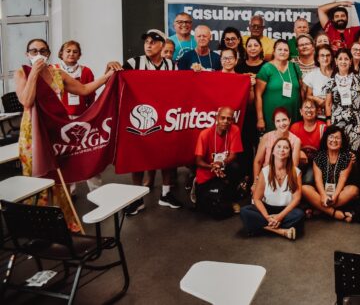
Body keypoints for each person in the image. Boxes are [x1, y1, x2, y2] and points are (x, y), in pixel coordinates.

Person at [16, 38, 120, 231]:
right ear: (27, 54)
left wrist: (108, 75)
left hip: (55, 134)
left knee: (59, 178)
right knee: (35, 180)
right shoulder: (22, 73)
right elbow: (26, 102)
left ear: (48, 53)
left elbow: (84, 89)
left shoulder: (57, 73)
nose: (38, 54)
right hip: (33, 135)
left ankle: (61, 224)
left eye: (42, 50)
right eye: (33, 51)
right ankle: (35, 226)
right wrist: (34, 74)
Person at [121, 29, 182, 212]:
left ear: (162, 45)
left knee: (166, 155)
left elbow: (179, 89)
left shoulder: (172, 65)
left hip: (164, 116)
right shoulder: (133, 63)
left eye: (153, 42)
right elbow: (119, 83)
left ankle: (165, 193)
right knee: (139, 156)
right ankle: (137, 197)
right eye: (146, 41)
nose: (148, 44)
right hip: (140, 115)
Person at [240, 137, 305, 239]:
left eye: (286, 148)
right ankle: (281, 231)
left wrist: (280, 216)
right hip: (267, 209)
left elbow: (297, 199)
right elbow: (256, 198)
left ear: (289, 153)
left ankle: (261, 227)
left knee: (299, 214)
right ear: (273, 151)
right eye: (278, 147)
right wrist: (266, 216)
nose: (282, 150)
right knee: (245, 211)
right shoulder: (265, 171)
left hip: (285, 210)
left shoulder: (296, 172)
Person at [301, 126, 359, 222]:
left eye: (337, 138)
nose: (334, 140)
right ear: (326, 139)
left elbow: (343, 179)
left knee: (353, 190)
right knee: (304, 188)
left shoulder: (347, 157)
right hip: (322, 192)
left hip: (339, 194)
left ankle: (321, 209)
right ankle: (334, 213)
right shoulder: (319, 156)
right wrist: (323, 196)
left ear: (342, 142)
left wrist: (335, 196)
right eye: (331, 137)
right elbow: (317, 180)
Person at [194, 106, 244, 215]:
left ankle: (232, 200)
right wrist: (212, 167)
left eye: (229, 119)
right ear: (217, 118)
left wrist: (221, 163)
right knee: (205, 205)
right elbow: (198, 161)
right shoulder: (205, 134)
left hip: (223, 168)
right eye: (223, 118)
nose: (225, 121)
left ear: (232, 120)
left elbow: (233, 155)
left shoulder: (234, 130)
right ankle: (195, 183)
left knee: (236, 167)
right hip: (208, 170)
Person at [324, 48, 360, 151]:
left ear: (350, 61)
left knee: (355, 152)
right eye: (340, 59)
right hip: (337, 121)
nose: (343, 61)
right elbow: (328, 103)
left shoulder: (358, 78)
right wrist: (328, 121)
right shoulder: (331, 82)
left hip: (356, 121)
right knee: (338, 150)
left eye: (346, 59)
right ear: (336, 61)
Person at [234, 37, 266, 183]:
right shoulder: (239, 66)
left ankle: (260, 179)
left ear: (260, 48)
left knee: (262, 148)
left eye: (256, 45)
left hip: (262, 112)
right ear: (246, 49)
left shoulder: (267, 66)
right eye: (250, 45)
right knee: (245, 149)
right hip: (244, 113)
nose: (253, 48)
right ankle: (246, 179)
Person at [255, 39, 304, 132]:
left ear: (289, 52)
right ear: (274, 52)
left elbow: (301, 90)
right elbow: (258, 95)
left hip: (294, 114)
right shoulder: (266, 68)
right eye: (280, 49)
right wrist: (260, 118)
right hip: (271, 115)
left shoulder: (294, 67)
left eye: (286, 50)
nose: (283, 52)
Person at [253, 107, 303, 182]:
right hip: (266, 177)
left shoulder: (296, 141)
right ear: (274, 123)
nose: (281, 124)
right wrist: (255, 182)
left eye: (284, 120)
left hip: (285, 178)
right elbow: (258, 161)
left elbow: (293, 167)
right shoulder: (266, 137)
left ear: (290, 120)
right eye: (278, 121)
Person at [53, 40, 95, 117]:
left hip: (81, 116)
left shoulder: (86, 71)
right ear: (61, 54)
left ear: (79, 55)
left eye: (75, 52)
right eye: (68, 51)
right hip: (58, 116)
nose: (71, 54)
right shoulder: (53, 70)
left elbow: (91, 97)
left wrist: (90, 115)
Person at [290, 99, 327, 175]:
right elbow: (290, 149)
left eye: (312, 107)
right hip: (298, 162)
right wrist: (299, 152)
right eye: (306, 107)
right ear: (301, 111)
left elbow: (326, 152)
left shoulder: (323, 127)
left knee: (308, 179)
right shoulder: (294, 127)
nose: (309, 110)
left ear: (317, 111)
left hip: (317, 164)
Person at [304, 44, 333, 117]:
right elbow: (308, 96)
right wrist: (316, 99)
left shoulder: (337, 74)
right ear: (317, 58)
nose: (325, 58)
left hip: (335, 115)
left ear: (332, 57)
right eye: (322, 55)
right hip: (318, 116)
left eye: (328, 55)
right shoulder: (312, 75)